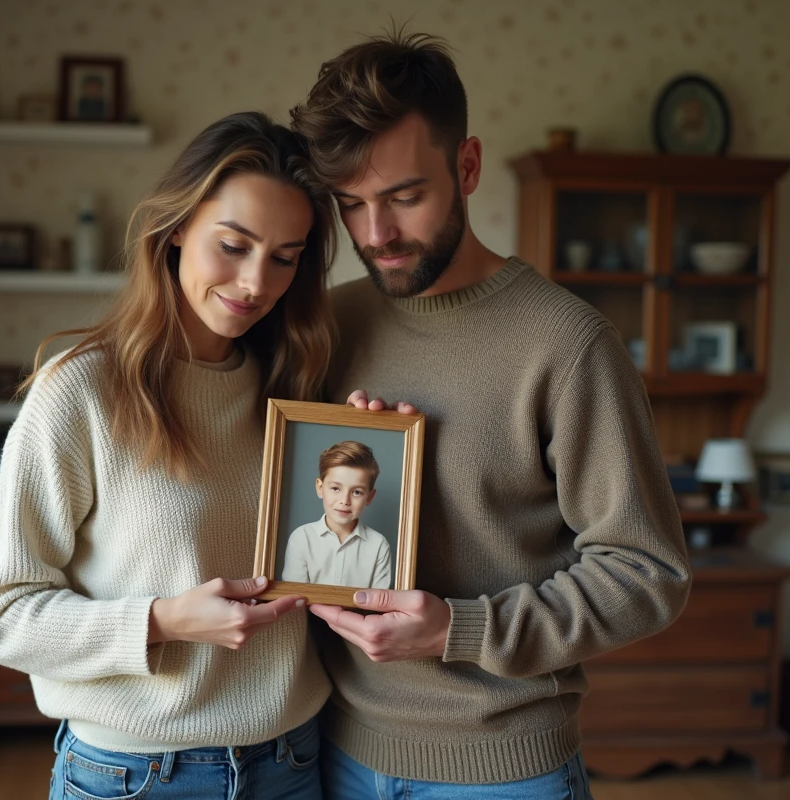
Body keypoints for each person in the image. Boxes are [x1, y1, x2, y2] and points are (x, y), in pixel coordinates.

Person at [290, 31, 691, 799]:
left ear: (466, 166)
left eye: (405, 197)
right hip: (333, 754)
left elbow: (648, 574)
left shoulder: (569, 344)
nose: (375, 236)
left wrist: (456, 630)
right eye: (351, 205)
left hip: (505, 770)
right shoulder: (327, 325)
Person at [0, 111, 338, 800]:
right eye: (233, 244)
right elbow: (2, 618)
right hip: (135, 775)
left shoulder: (297, 393)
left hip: (291, 763)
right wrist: (162, 621)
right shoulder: (79, 390)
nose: (257, 281)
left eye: (284, 257)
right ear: (174, 233)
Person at [281, 440, 392, 590]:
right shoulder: (301, 538)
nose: (344, 501)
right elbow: (293, 595)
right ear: (320, 488)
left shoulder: (378, 545)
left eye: (356, 492)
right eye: (335, 488)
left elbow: (378, 601)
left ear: (369, 497)